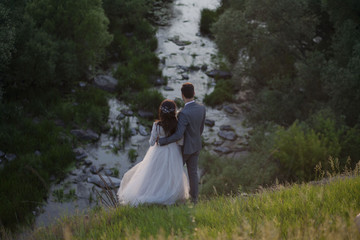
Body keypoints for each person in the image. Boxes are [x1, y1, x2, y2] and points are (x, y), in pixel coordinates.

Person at [117, 99, 189, 206]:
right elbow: (180, 140)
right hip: (174, 151)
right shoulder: (177, 124)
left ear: (161, 112)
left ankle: (153, 192)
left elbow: (151, 143)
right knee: (171, 173)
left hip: (158, 151)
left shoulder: (157, 125)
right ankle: (171, 193)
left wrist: (157, 139)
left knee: (154, 173)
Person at [158, 82, 206, 204]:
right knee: (193, 173)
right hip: (196, 146)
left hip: (185, 149)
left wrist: (163, 141)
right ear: (194, 93)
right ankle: (194, 200)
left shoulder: (183, 113)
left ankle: (170, 198)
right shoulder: (202, 108)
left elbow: (179, 135)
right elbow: (201, 129)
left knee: (173, 172)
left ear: (182, 95)